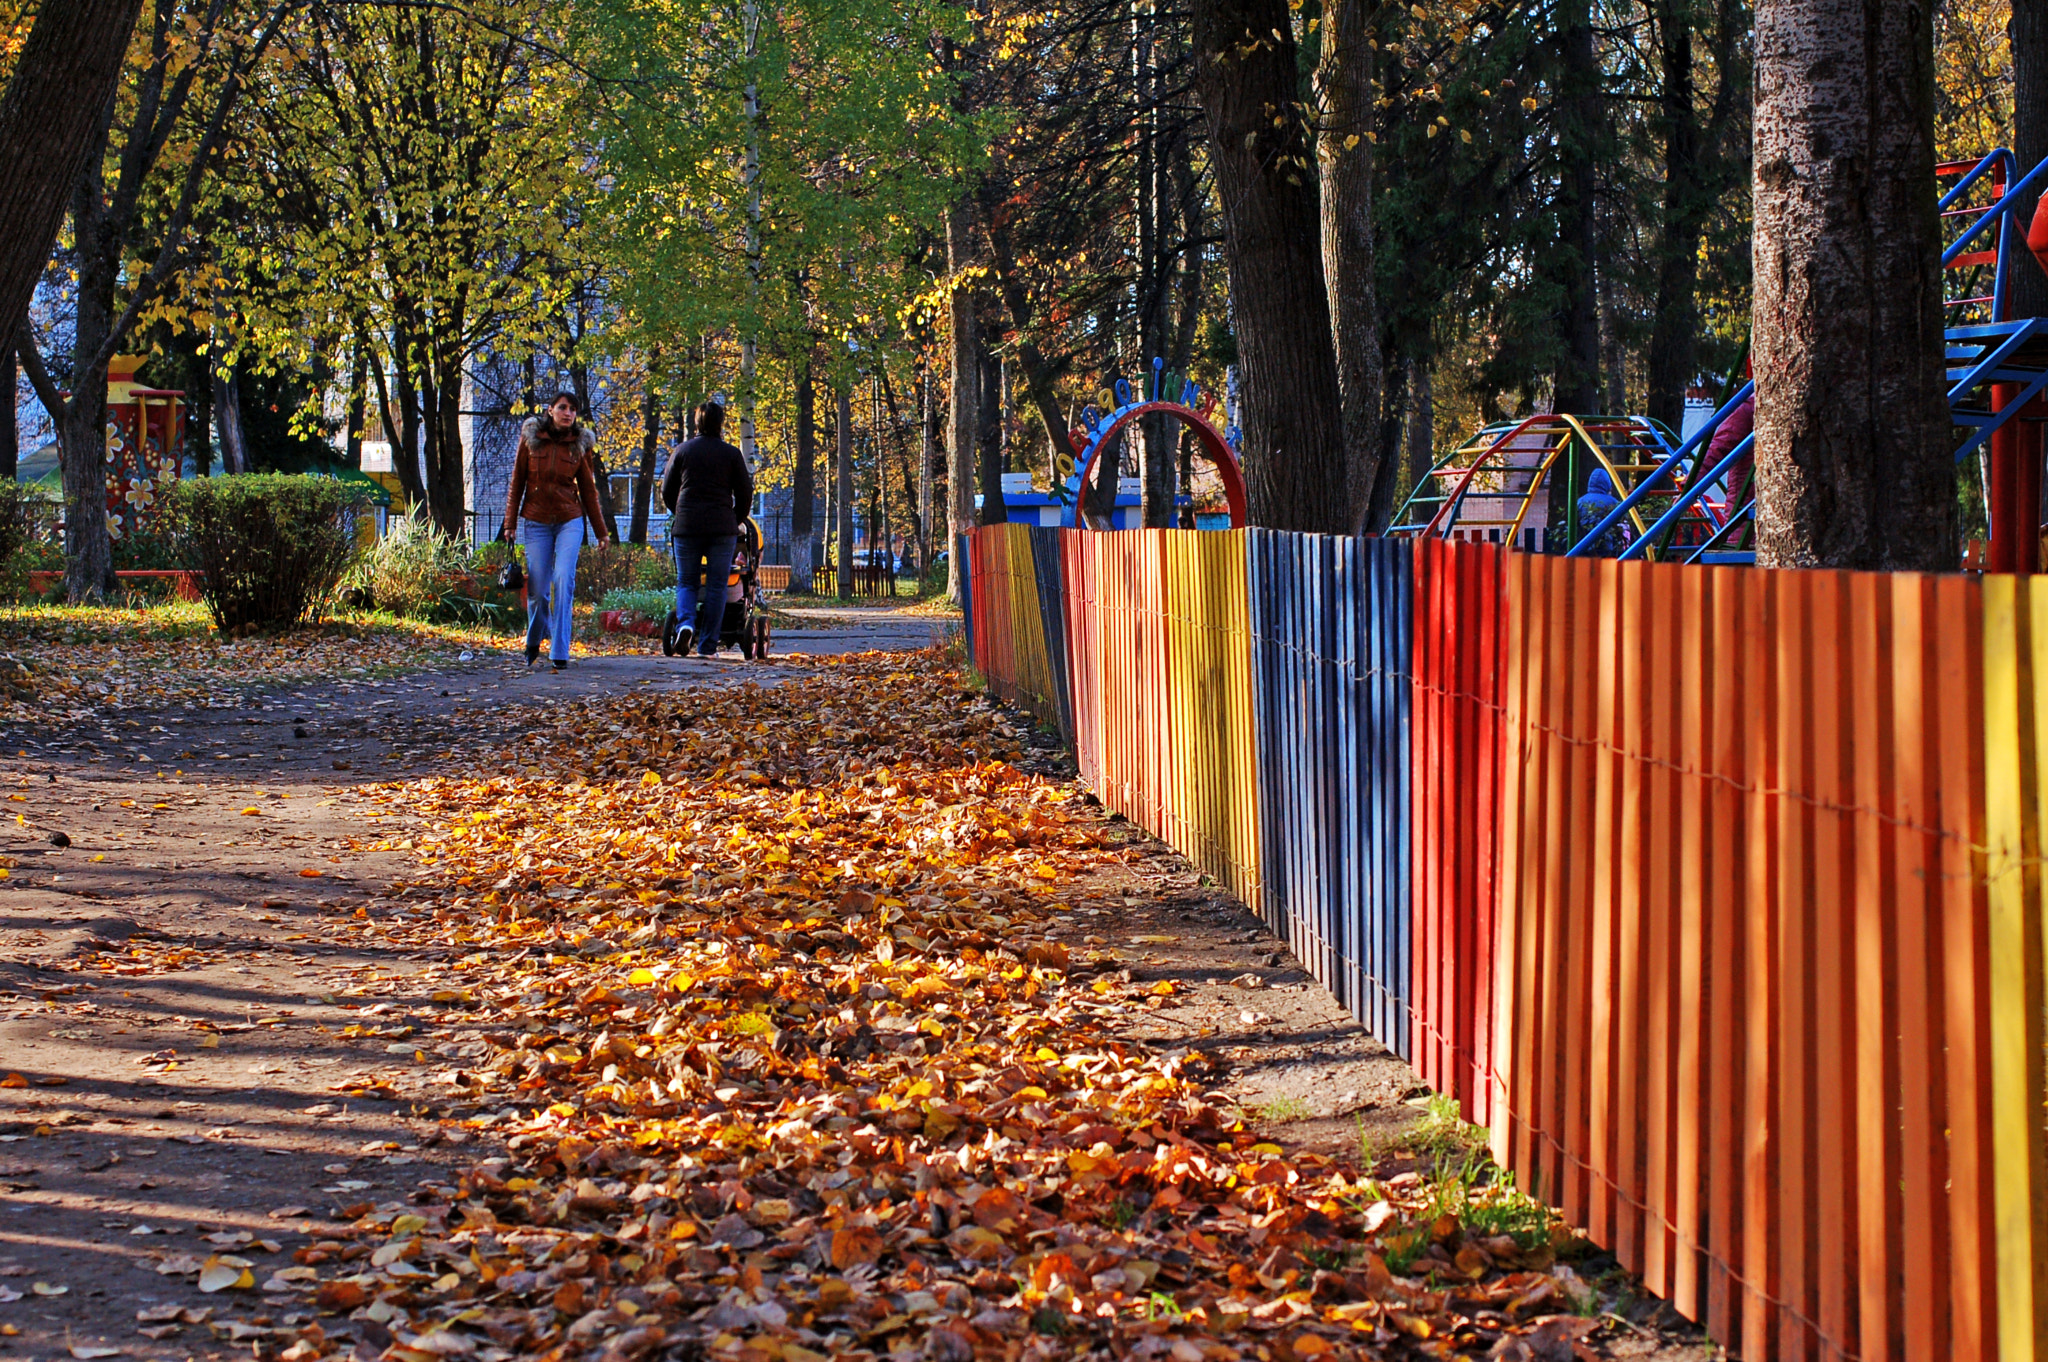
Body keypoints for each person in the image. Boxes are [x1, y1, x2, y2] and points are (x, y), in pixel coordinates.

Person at [502, 393, 609, 671]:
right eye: (562, 407)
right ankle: (534, 640)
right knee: (538, 590)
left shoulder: (579, 445)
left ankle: (560, 651)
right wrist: (509, 524)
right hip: (536, 521)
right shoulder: (531, 439)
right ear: (550, 410)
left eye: (573, 409)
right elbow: (517, 481)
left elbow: (588, 489)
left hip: (569, 520)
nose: (568, 413)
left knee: (563, 579)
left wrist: (601, 532)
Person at [662, 401, 754, 657]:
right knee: (716, 585)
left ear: (697, 423)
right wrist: (735, 518)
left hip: (687, 527)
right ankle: (707, 647)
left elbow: (667, 491)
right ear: (720, 423)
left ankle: (687, 624)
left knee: (687, 582)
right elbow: (745, 493)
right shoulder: (731, 454)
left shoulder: (682, 451)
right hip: (722, 529)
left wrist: (680, 512)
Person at [1574, 467, 1632, 558]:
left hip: (1582, 547)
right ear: (1607, 484)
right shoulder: (1613, 502)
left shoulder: (1580, 502)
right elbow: (1623, 523)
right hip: (1607, 546)